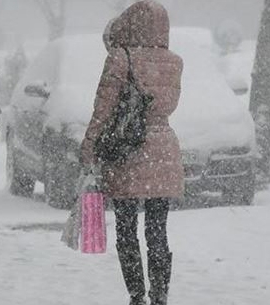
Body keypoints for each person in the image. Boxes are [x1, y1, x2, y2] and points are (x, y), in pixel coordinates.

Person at [80, 1, 184, 304]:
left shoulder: (119, 59)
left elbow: (103, 109)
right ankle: (160, 294)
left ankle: (137, 295)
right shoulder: (174, 61)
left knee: (127, 229)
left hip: (127, 149)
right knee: (158, 231)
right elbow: (164, 105)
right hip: (164, 148)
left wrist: (89, 147)